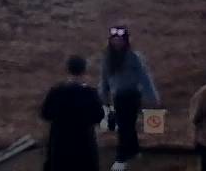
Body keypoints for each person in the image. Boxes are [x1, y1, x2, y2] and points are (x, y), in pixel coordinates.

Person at [98, 26, 159, 171]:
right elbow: (104, 78)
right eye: (114, 40)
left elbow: (144, 77)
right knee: (128, 126)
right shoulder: (108, 58)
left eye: (120, 40)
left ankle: (121, 157)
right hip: (117, 97)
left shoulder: (134, 57)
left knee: (125, 126)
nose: (117, 42)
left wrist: (152, 96)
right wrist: (103, 97)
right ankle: (134, 150)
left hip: (132, 96)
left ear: (125, 41)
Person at [41, 55, 106, 171]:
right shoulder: (90, 93)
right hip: (84, 144)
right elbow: (99, 116)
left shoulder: (56, 92)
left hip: (61, 144)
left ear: (68, 69)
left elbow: (45, 114)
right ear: (84, 70)